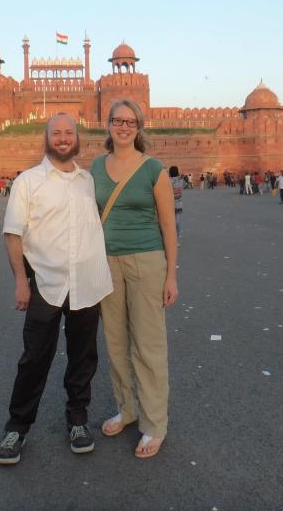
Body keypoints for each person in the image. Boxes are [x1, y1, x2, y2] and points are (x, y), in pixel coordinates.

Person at [0, 114, 113, 465]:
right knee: (34, 358)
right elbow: (13, 233)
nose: (63, 138)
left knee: (83, 357)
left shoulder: (88, 181)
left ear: (78, 139)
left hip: (86, 283)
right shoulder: (28, 182)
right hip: (45, 283)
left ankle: (77, 419)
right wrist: (20, 280)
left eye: (68, 133)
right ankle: (17, 425)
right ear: (46, 139)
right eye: (56, 133)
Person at [90, 99, 179, 459]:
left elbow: (169, 224)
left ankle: (154, 423)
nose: (123, 127)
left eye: (130, 122)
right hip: (107, 262)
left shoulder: (153, 169)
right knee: (114, 342)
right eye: (117, 121)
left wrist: (171, 274)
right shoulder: (96, 167)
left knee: (148, 344)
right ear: (107, 125)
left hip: (147, 260)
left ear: (139, 127)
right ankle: (127, 408)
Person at [168, 165, 183, 240]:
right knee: (178, 220)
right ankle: (178, 233)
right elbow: (184, 185)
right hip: (178, 204)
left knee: (171, 221)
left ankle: (172, 234)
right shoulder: (180, 181)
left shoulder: (168, 181)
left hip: (170, 204)